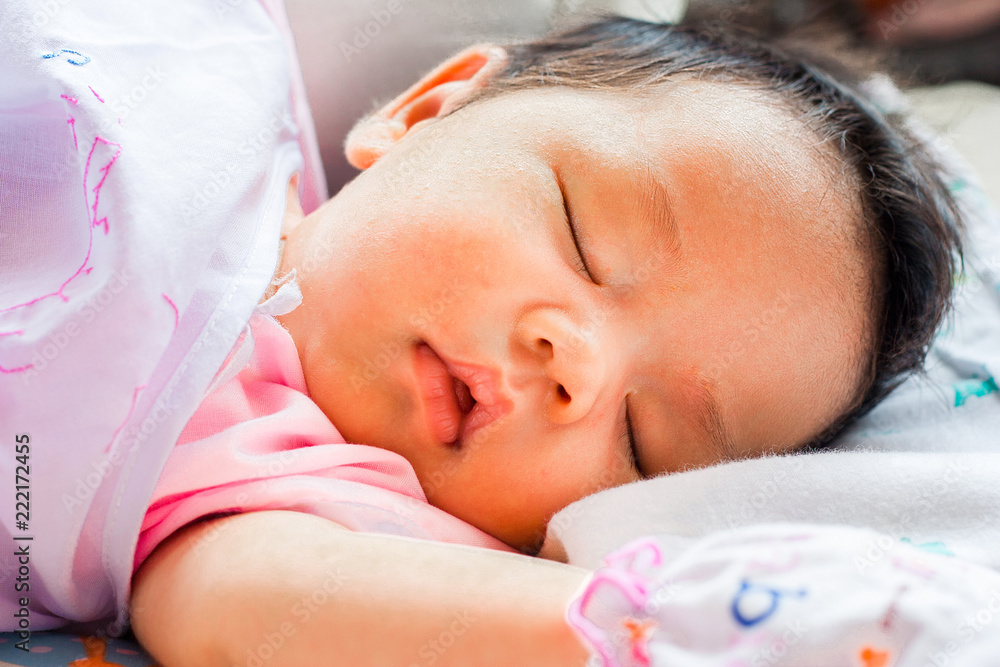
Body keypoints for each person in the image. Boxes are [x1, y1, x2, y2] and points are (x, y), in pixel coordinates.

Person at [126, 14, 962, 667]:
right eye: (584, 239)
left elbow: (239, 604)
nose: (579, 367)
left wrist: (670, 624)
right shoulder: (214, 78)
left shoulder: (291, 495)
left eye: (642, 438)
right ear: (428, 110)